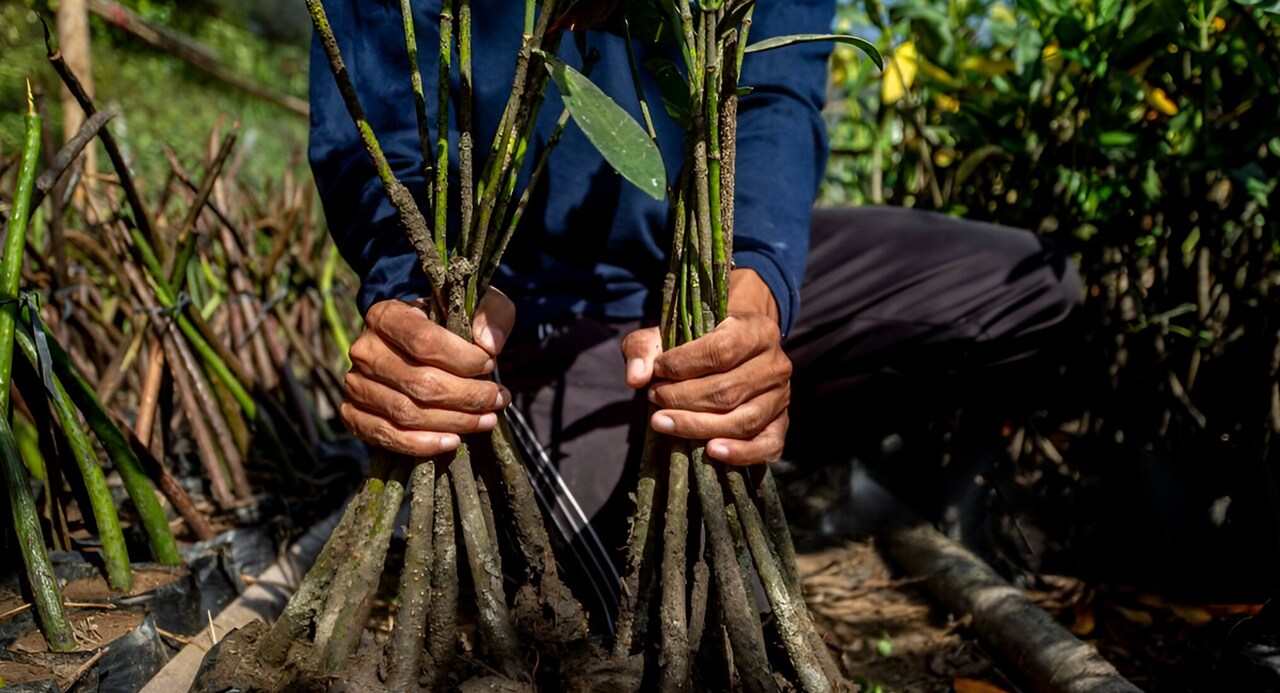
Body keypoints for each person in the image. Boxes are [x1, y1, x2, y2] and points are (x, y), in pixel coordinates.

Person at [310, 0, 1082, 620]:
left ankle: (777, 421)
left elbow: (777, 91)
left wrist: (753, 295)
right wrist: (425, 300)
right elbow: (371, 116)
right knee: (597, 596)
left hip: (703, 279)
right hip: (521, 317)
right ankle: (640, 424)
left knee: (1028, 281)